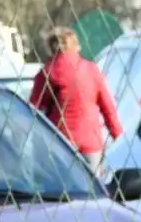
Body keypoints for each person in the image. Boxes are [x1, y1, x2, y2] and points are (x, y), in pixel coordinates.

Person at [30, 26, 123, 176]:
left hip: (59, 143)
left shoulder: (47, 73)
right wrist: (119, 138)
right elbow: (108, 109)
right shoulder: (91, 69)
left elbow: (35, 112)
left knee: (59, 193)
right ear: (75, 45)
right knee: (92, 192)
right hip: (90, 143)